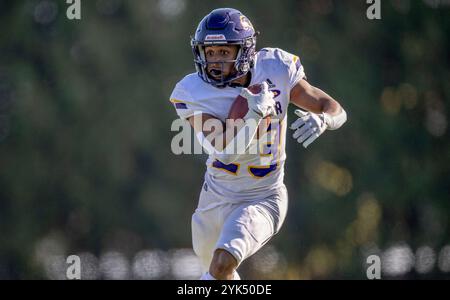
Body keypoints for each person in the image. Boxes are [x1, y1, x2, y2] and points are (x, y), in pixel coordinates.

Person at [169, 8, 347, 280]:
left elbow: (332, 107)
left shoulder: (276, 68)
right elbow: (226, 151)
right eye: (210, 52)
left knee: (221, 264)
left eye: (224, 52)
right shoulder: (191, 92)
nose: (215, 61)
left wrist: (324, 120)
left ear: (245, 51)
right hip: (215, 196)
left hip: (263, 197)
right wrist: (253, 115)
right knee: (217, 274)